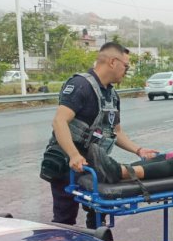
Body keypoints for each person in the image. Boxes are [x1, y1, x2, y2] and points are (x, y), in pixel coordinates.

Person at [44, 42, 158, 228]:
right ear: (113, 62)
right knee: (65, 220)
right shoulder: (80, 85)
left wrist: (138, 150)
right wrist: (74, 155)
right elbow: (59, 121)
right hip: (67, 163)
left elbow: (116, 132)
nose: (126, 70)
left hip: (93, 163)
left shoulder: (112, 95)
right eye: (126, 66)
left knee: (98, 216)